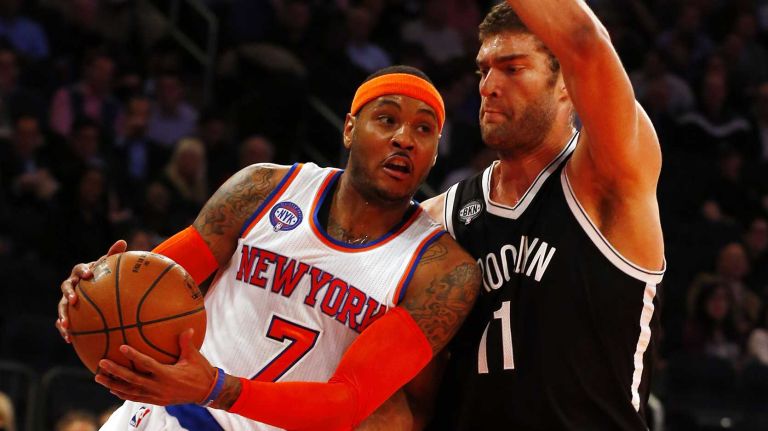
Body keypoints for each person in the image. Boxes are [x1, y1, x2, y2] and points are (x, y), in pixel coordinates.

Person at [56, 65, 481, 430]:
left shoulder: (440, 271)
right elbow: (148, 286)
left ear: (434, 153)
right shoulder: (263, 188)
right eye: (387, 119)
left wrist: (216, 388)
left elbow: (349, 400)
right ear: (350, 129)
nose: (404, 138)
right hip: (160, 417)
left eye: (423, 129)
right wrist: (91, 290)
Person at [416, 2, 666, 429]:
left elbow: (585, 42)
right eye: (483, 70)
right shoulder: (441, 217)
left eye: (512, 68)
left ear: (567, 82)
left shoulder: (607, 178)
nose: (489, 86)